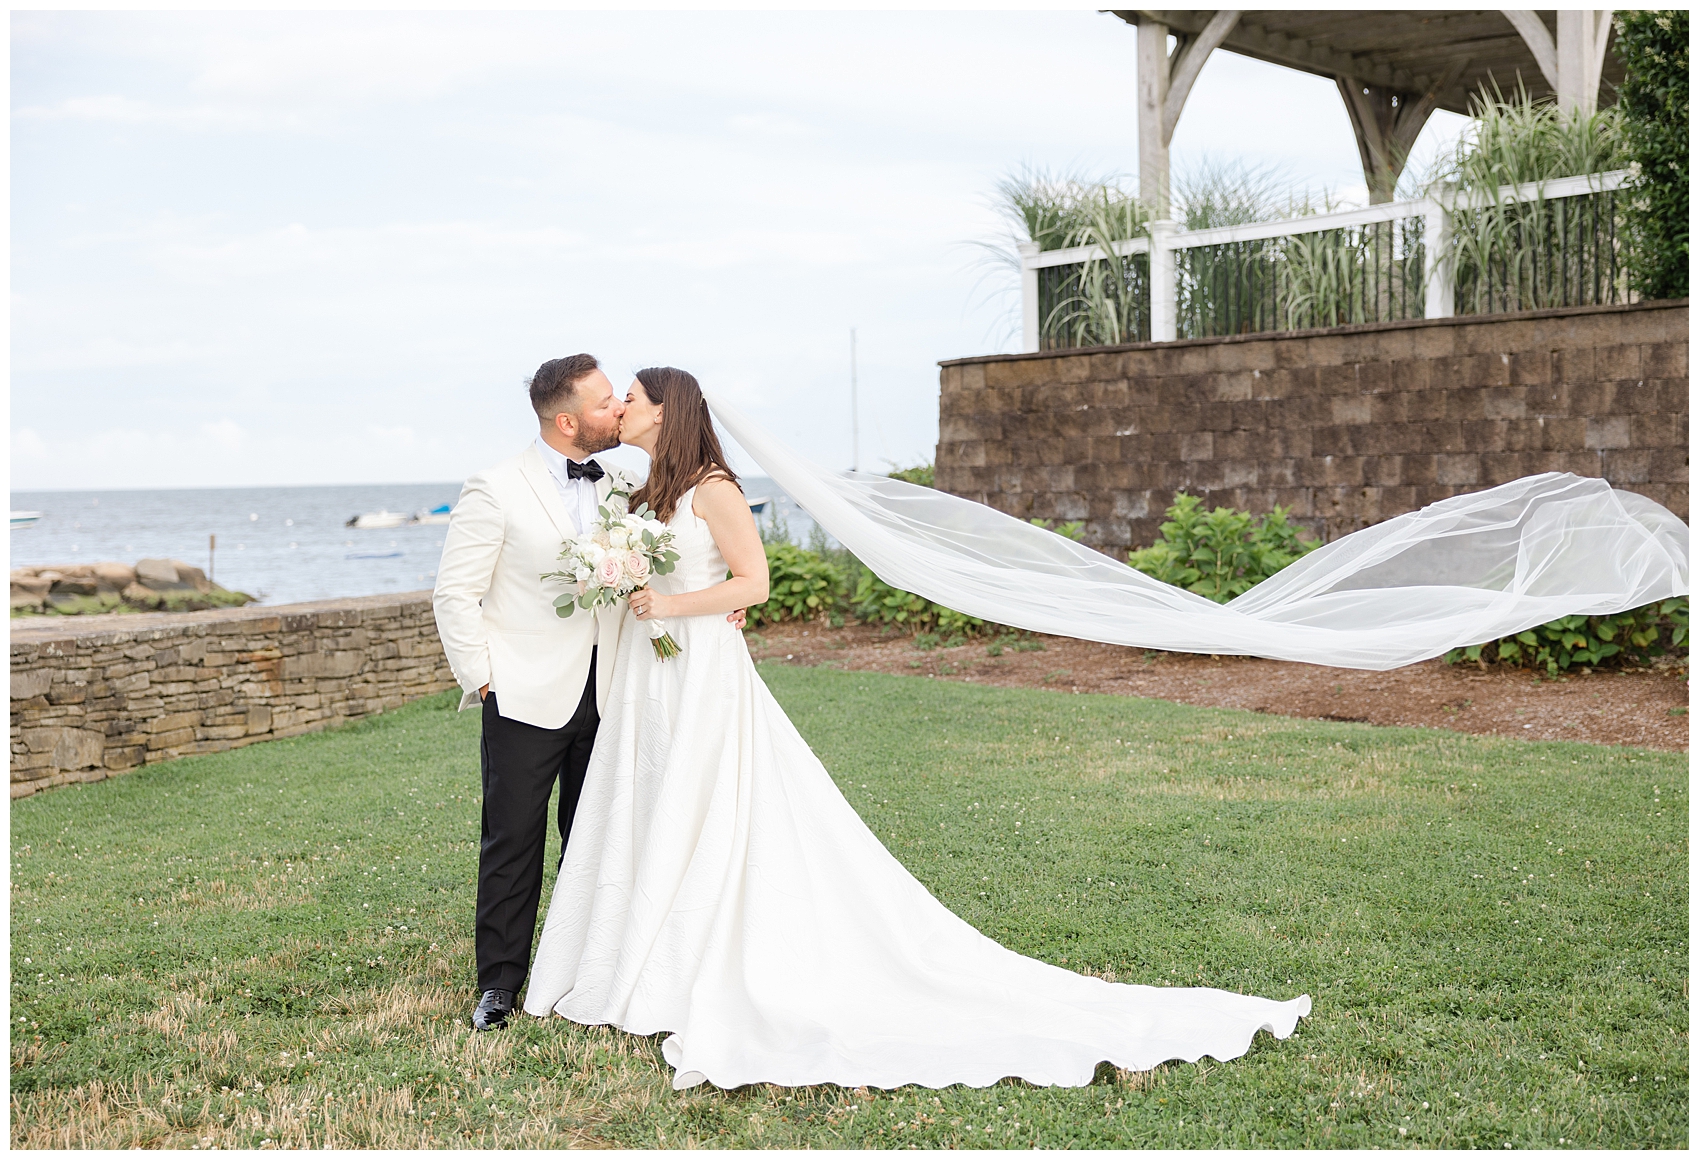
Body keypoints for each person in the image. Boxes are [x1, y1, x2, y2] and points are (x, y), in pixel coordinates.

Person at [517, 367, 1311, 1090]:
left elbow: (753, 583)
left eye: (634, 397)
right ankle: (633, 956)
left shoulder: (715, 488)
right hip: (655, 678)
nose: (621, 405)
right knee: (653, 802)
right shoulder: (646, 486)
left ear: (670, 409)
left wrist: (672, 605)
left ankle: (697, 958)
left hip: (702, 671)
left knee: (711, 807)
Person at [431, 354, 743, 1033]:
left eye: (620, 399)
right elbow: (455, 592)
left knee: (601, 832)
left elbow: (693, 543)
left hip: (619, 688)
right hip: (523, 691)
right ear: (568, 420)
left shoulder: (628, 479)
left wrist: (721, 599)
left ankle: (589, 966)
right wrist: (483, 678)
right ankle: (500, 984)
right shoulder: (495, 487)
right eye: (606, 404)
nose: (619, 411)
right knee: (512, 838)